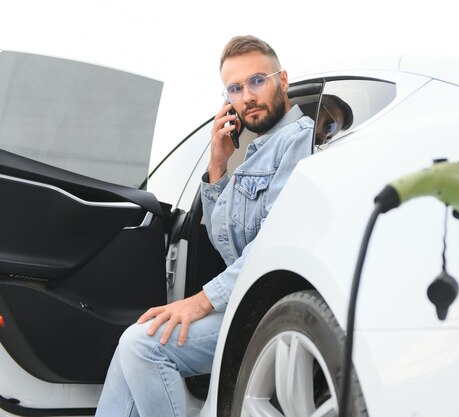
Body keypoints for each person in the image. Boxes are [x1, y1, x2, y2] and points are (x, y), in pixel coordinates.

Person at [95, 35, 314, 417]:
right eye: (235, 88)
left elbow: (271, 246)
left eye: (257, 80)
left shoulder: (298, 140)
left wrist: (199, 302)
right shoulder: (254, 154)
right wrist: (217, 166)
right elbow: (224, 243)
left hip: (270, 309)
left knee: (143, 346)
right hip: (243, 303)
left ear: (283, 79)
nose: (247, 96)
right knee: (131, 344)